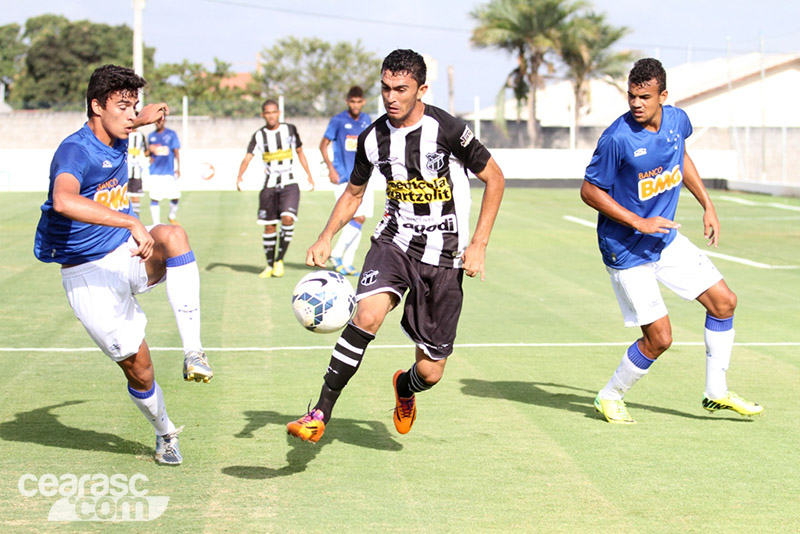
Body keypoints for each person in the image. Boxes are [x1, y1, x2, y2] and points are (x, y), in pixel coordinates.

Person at [287, 49, 505, 443]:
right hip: (395, 242)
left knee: (430, 372)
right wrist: (325, 235)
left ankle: (404, 387)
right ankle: (320, 412)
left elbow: (496, 178)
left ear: (421, 89)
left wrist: (479, 244)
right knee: (367, 315)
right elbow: (354, 193)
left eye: (401, 89)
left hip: (445, 258)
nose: (391, 97)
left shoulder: (448, 130)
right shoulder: (373, 138)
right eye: (385, 88)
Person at [33, 65, 214, 465]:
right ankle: (165, 433)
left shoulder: (121, 129)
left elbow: (136, 117)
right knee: (140, 370)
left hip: (126, 255)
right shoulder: (75, 150)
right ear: (96, 106)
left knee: (173, 235)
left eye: (133, 106)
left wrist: (146, 114)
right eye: (122, 106)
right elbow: (63, 200)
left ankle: (194, 352)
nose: (130, 115)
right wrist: (131, 221)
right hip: (87, 274)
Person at [580, 58, 763, 424]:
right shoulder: (617, 138)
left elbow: (681, 156)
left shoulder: (678, 121)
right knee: (660, 339)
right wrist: (639, 222)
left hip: (663, 240)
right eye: (632, 96)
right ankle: (609, 395)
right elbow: (589, 190)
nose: (636, 104)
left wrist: (708, 205)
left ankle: (716, 393)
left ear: (663, 96)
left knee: (724, 302)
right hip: (626, 250)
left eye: (644, 97)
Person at [236, 100, 314, 279]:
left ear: (279, 113)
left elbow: (300, 151)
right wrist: (239, 176)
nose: (271, 116)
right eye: (267, 113)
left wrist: (309, 174)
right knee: (269, 226)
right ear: (263, 115)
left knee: (287, 218)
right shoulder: (258, 136)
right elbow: (248, 157)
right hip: (269, 186)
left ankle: (279, 260)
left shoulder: (290, 130)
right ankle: (269, 265)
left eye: (273, 112)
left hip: (289, 183)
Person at [319, 85, 373, 276]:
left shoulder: (367, 120)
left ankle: (347, 263)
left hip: (364, 176)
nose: (355, 105)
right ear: (347, 101)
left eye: (359, 102)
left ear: (363, 102)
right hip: (344, 177)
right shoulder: (338, 120)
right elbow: (323, 144)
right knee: (355, 216)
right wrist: (331, 168)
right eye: (352, 101)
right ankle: (336, 254)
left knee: (360, 219)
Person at [148, 115, 181, 225]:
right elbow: (148, 153)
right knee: (155, 197)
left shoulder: (171, 134)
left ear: (164, 121)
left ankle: (171, 216)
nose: (158, 123)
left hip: (168, 171)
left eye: (160, 121)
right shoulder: (151, 136)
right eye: (156, 121)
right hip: (155, 172)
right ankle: (156, 223)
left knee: (176, 196)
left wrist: (178, 168)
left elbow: (176, 152)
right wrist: (149, 152)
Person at [127, 126, 148, 217]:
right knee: (123, 194)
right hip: (125, 169)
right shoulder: (125, 134)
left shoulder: (141, 136)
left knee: (135, 195)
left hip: (137, 170)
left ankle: (136, 217)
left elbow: (146, 151)